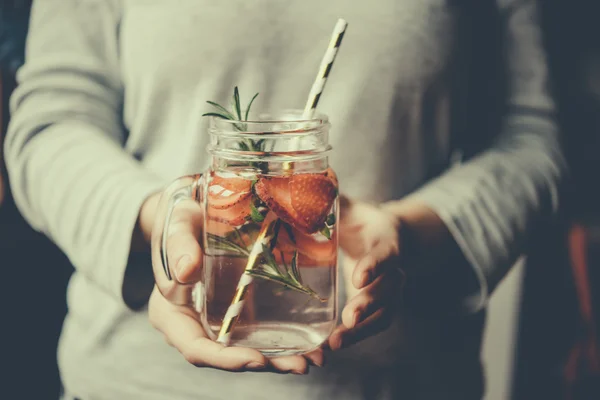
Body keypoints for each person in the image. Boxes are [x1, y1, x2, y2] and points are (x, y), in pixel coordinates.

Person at [4, 0, 565, 399]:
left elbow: (532, 138)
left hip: (406, 383)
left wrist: (405, 233)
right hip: (132, 386)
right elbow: (53, 121)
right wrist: (163, 221)